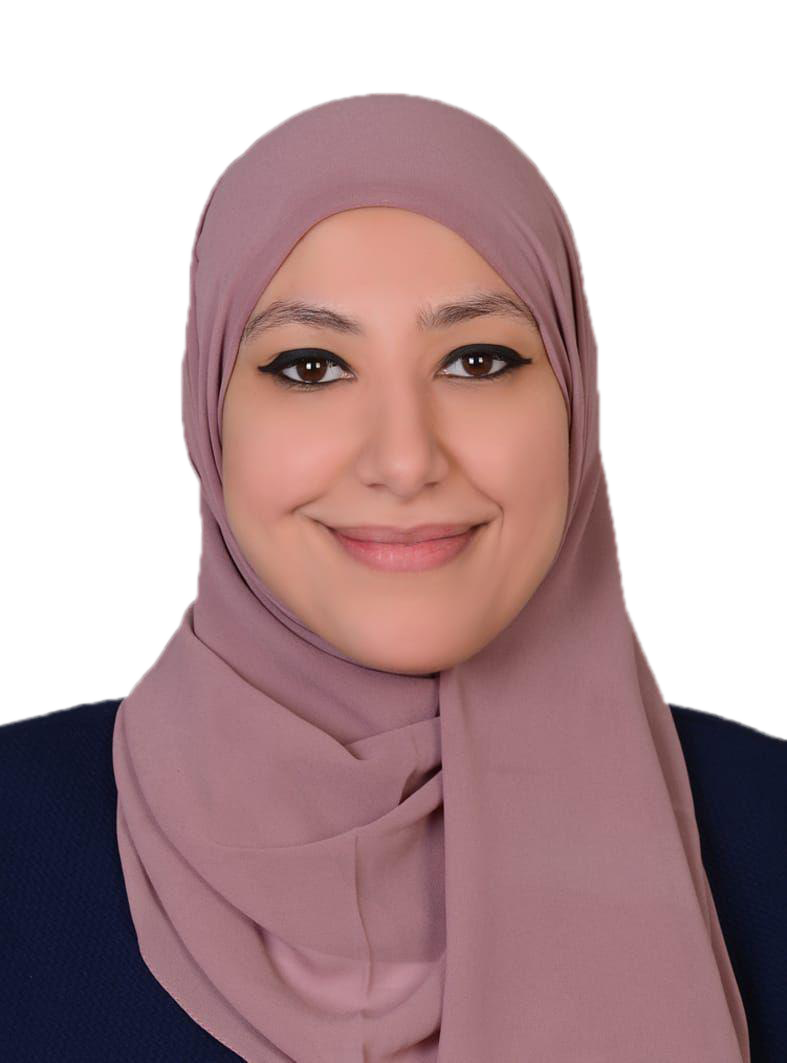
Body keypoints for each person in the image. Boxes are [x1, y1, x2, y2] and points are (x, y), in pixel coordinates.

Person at [1, 91, 785, 1063]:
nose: (405, 460)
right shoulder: (15, 838)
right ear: (208, 414)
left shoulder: (770, 834)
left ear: (576, 400)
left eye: (477, 360)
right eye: (310, 367)